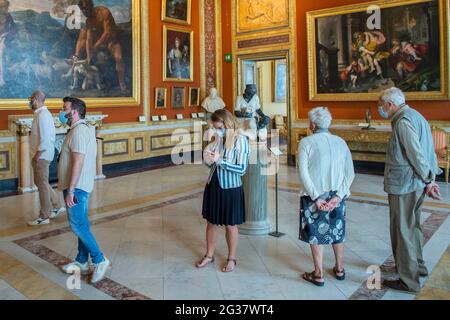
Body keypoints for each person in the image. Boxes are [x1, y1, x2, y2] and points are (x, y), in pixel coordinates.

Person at [378, 87, 442, 293]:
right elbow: (428, 151)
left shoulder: (403, 122)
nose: (381, 109)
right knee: (413, 227)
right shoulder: (416, 115)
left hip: (405, 185)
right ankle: (418, 267)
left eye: (382, 105)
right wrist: (429, 179)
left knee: (402, 230)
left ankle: (408, 280)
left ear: (390, 104)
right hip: (416, 183)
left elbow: (416, 153)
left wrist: (428, 178)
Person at [297, 107, 355, 287]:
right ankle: (339, 268)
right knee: (337, 231)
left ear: (312, 124)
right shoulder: (340, 142)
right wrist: (338, 196)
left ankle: (319, 273)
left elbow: (303, 173)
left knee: (315, 233)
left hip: (315, 196)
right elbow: (350, 173)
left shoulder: (306, 142)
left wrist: (316, 197)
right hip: (336, 196)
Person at [57, 96, 110, 284]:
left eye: (64, 108)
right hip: (79, 185)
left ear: (74, 112)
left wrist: (70, 189)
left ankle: (99, 259)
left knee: (77, 225)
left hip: (77, 187)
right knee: (81, 223)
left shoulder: (79, 131)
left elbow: (78, 161)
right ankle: (81, 261)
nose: (62, 112)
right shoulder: (83, 128)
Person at [196, 109, 250, 273]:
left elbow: (241, 169)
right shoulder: (219, 139)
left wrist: (220, 161)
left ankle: (232, 258)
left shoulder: (240, 140)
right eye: (215, 127)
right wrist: (208, 158)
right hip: (213, 185)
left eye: (220, 127)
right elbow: (212, 161)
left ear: (228, 124)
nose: (217, 131)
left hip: (231, 188)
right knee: (211, 222)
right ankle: (209, 255)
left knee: (230, 225)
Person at [28, 91, 65, 226]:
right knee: (42, 183)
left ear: (37, 99)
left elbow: (45, 138)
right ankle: (57, 205)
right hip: (41, 155)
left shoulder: (42, 115)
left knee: (42, 185)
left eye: (30, 99)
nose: (29, 102)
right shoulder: (41, 114)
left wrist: (38, 154)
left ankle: (44, 216)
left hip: (41, 156)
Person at [75, 0, 127, 94]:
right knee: (83, 32)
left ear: (90, 6)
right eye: (82, 10)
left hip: (111, 41)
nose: (84, 12)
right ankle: (76, 56)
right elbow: (88, 39)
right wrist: (88, 56)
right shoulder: (89, 20)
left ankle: (122, 83)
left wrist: (96, 46)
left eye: (85, 9)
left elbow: (107, 33)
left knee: (119, 58)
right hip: (97, 41)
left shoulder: (104, 12)